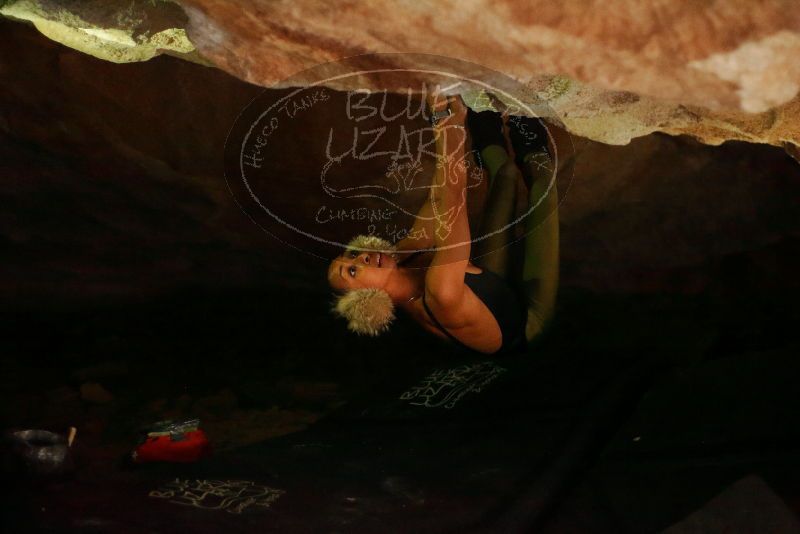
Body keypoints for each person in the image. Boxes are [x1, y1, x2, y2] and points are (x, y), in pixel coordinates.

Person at [327, 94, 559, 355]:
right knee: (544, 190)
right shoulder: (441, 294)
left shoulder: (404, 254)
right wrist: (447, 124)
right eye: (353, 272)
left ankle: (482, 108)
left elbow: (439, 199)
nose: (360, 259)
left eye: (352, 254)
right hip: (525, 327)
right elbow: (454, 198)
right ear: (364, 298)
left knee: (504, 174)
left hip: (492, 286)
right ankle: (526, 127)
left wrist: (447, 114)